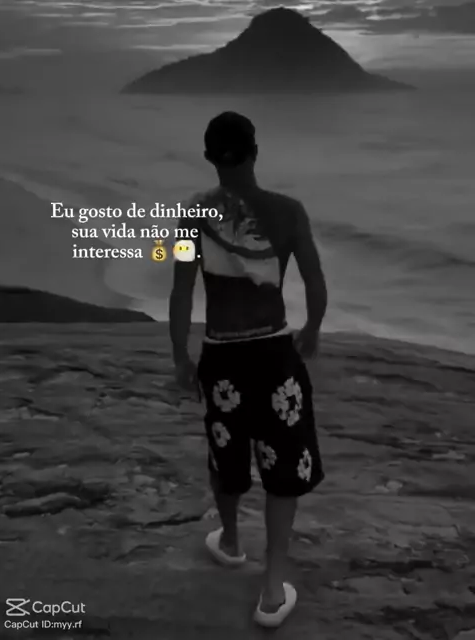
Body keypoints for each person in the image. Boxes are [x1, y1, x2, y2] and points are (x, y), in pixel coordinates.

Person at [169, 111, 327, 627]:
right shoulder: (289, 211)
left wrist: (180, 355)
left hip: (223, 358)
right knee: (283, 465)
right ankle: (272, 588)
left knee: (227, 453)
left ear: (209, 157)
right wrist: (312, 328)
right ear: (255, 151)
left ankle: (232, 541)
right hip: (275, 355)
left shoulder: (192, 215)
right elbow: (315, 282)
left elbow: (182, 289)